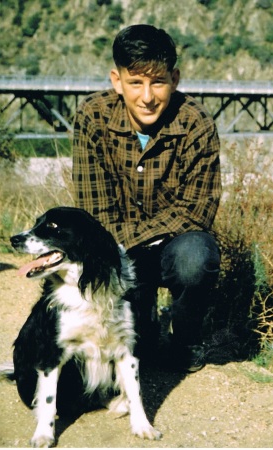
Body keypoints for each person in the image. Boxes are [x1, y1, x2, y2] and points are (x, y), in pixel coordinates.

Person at [72, 24, 221, 372]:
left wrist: (137, 238)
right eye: (135, 82)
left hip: (173, 248)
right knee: (137, 350)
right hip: (120, 251)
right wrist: (131, 248)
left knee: (197, 256)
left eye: (158, 82)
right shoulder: (92, 117)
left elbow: (197, 213)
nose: (147, 96)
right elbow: (95, 214)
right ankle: (144, 324)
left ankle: (185, 341)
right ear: (116, 80)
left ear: (175, 79)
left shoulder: (196, 123)